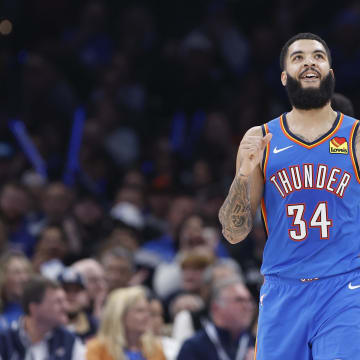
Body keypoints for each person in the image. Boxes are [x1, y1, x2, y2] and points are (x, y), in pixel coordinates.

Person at [219, 32, 360, 359]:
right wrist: (242, 176)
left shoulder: (354, 137)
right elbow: (234, 231)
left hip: (345, 287)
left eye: (318, 56)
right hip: (283, 290)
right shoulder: (261, 138)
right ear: (284, 77)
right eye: (298, 57)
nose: (309, 61)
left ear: (331, 74)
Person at [0, 275, 85, 359]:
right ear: (34, 308)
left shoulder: (70, 342)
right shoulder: (4, 341)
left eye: (64, 301)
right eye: (58, 302)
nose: (65, 307)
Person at [176, 277, 255, 360]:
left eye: (250, 300)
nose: (248, 306)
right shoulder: (193, 348)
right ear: (216, 307)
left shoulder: (256, 344)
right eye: (239, 300)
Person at [86, 286, 166, 360]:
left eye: (147, 311)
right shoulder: (97, 349)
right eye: (140, 311)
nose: (147, 316)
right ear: (120, 315)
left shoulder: (155, 349)